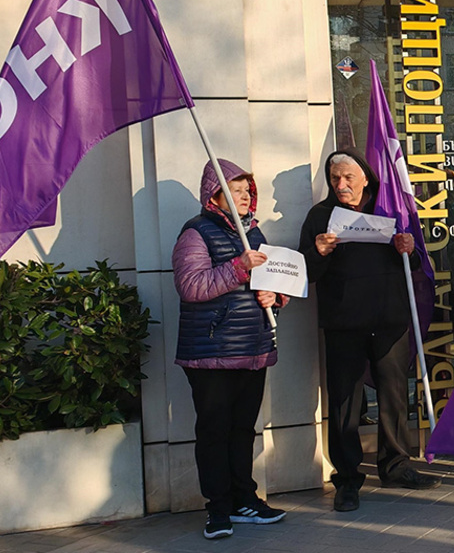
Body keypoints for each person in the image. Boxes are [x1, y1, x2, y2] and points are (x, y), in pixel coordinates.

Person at [298, 148, 440, 513]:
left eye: (348, 177)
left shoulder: (389, 209)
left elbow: (417, 263)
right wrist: (318, 251)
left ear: (365, 177)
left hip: (389, 322)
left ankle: (396, 465)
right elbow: (306, 274)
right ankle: (346, 479)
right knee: (345, 402)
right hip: (344, 324)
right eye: (334, 179)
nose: (341, 185)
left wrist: (407, 248)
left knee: (394, 396)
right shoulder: (320, 216)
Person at [172, 159, 288, 540]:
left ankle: (244, 500)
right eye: (235, 189)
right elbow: (191, 286)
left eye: (246, 189)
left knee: (243, 430)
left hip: (253, 349)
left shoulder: (255, 234)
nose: (244, 195)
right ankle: (218, 509)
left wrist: (276, 295)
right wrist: (239, 267)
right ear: (214, 194)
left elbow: (271, 285)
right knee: (214, 431)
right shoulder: (195, 233)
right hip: (211, 352)